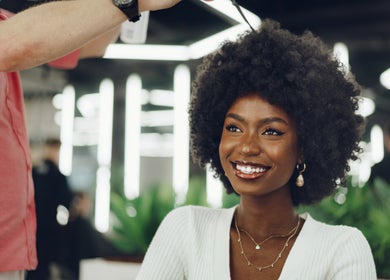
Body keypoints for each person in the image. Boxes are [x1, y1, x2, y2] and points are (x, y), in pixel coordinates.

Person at [136, 20, 377, 279]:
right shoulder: (186, 230)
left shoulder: (342, 248)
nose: (247, 146)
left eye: (271, 131)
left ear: (305, 148)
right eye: (234, 128)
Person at [0, 0, 185, 279]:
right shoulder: (14, 35)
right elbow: (11, 44)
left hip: (13, 247)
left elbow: (91, 44)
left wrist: (127, 10)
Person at [27, 138, 74, 280]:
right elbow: (67, 203)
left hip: (31, 227)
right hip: (48, 229)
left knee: (31, 266)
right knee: (44, 267)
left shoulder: (33, 172)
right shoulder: (58, 176)